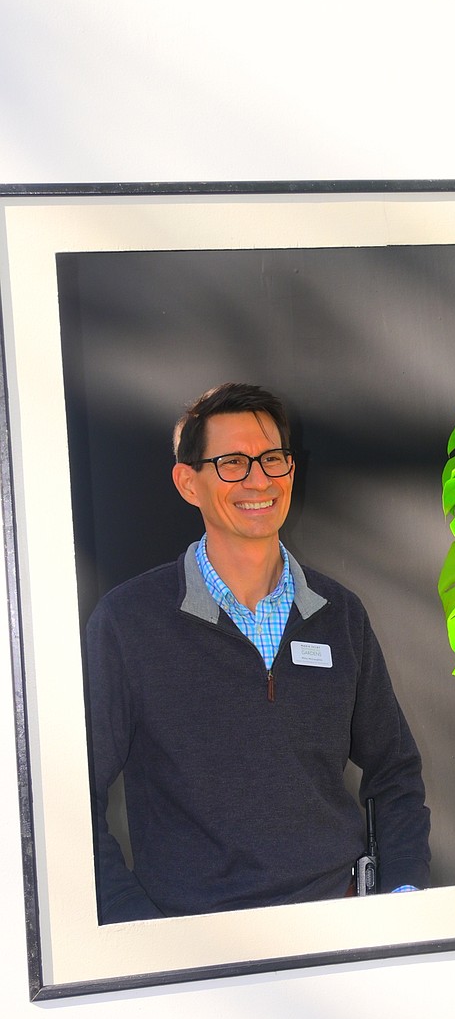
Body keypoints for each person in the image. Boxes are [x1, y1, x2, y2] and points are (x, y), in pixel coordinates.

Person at [85, 382, 431, 922]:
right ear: (187, 483)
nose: (259, 480)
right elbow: (73, 797)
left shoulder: (338, 614)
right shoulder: (128, 623)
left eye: (273, 459)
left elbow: (395, 772)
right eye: (231, 463)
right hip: (194, 948)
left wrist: (403, 896)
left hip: (336, 930)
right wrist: (134, 926)